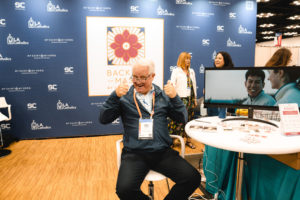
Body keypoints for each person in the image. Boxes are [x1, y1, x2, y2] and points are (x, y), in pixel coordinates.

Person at [99, 58, 201, 200]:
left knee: (193, 178)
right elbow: (103, 119)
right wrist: (114, 96)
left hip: (162, 153)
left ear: (153, 76)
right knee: (124, 190)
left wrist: (175, 97)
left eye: (143, 77)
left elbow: (182, 118)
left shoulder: (163, 96)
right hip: (134, 154)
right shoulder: (124, 98)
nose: (138, 81)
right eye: (135, 77)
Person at [168, 52, 197, 149]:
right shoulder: (176, 71)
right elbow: (172, 85)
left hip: (190, 100)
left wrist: (195, 99)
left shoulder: (192, 71)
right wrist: (173, 99)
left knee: (189, 120)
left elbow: (194, 86)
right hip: (179, 99)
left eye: (189, 58)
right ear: (181, 60)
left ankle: (188, 140)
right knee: (177, 121)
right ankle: (173, 140)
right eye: (186, 58)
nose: (188, 60)